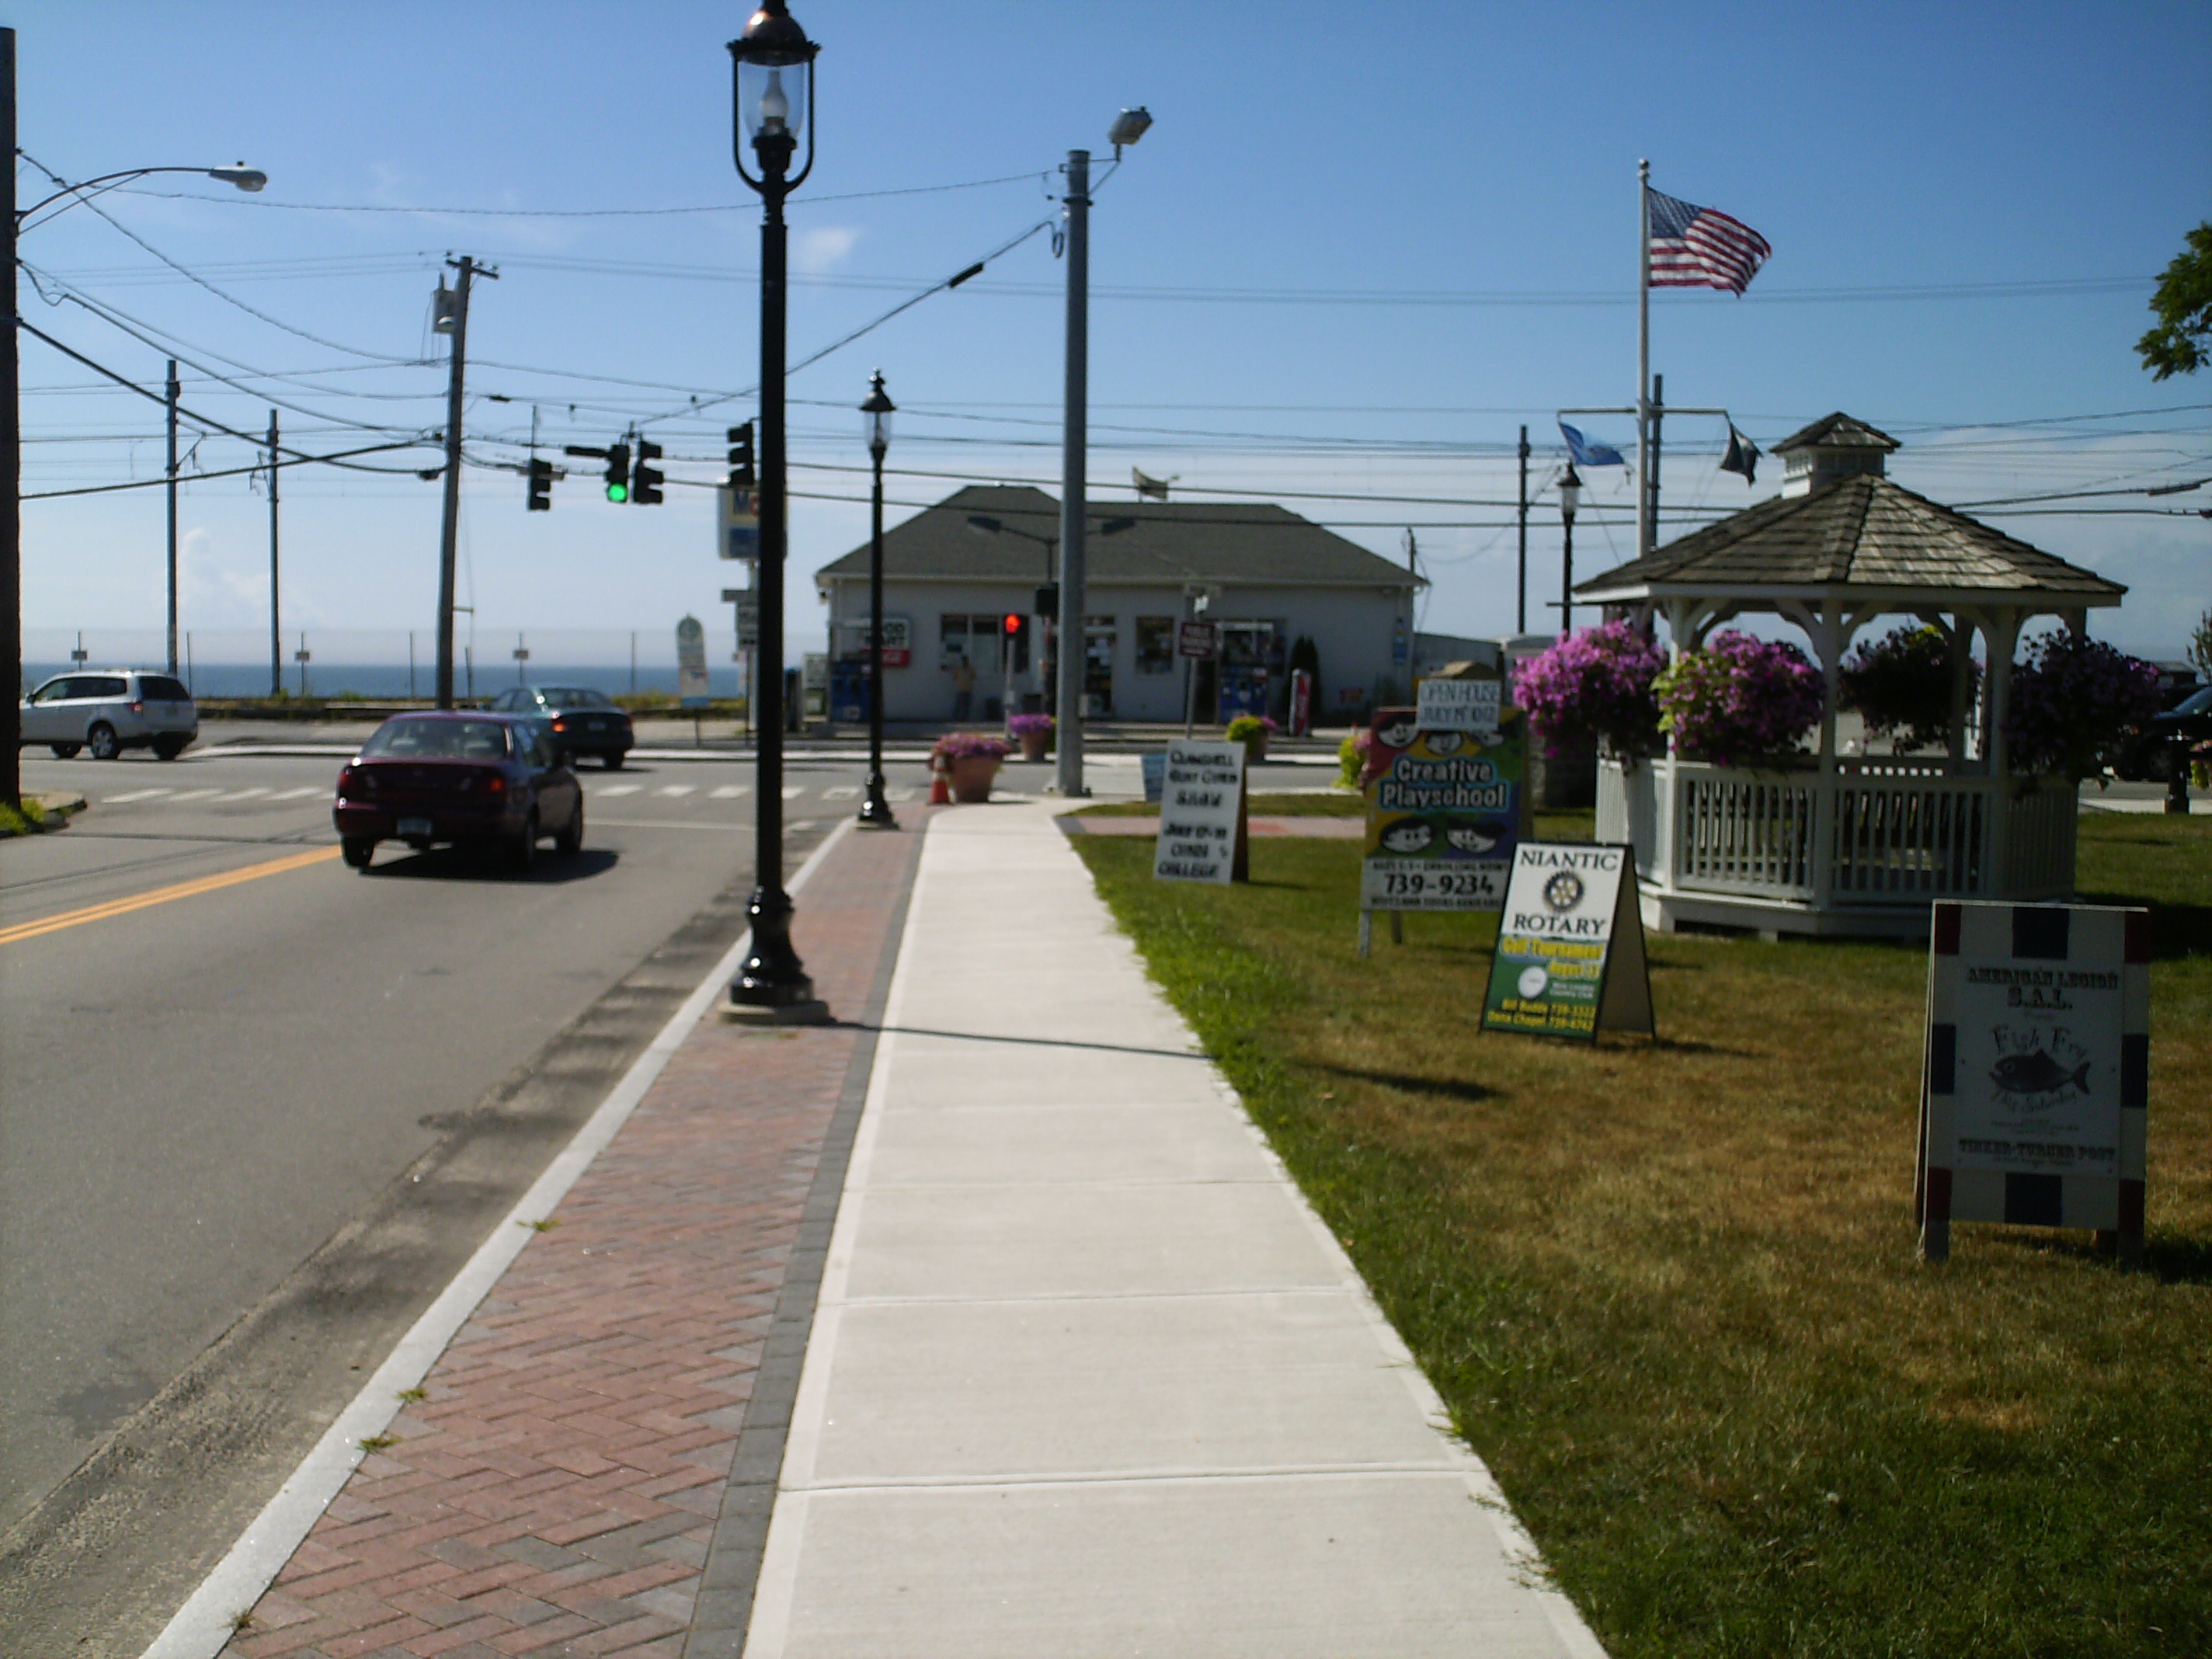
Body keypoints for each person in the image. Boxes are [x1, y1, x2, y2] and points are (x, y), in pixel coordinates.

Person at [951, 654, 976, 721]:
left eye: (966, 661)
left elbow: (973, 677)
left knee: (966, 706)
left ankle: (965, 719)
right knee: (958, 705)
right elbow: (954, 677)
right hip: (960, 690)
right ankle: (955, 719)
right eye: (964, 661)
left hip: (968, 690)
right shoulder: (958, 669)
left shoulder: (971, 669)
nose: (965, 662)